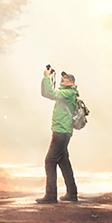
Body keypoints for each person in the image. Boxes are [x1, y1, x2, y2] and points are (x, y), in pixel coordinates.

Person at [36, 67, 79, 203]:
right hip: (63, 131)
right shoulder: (67, 93)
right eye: (62, 78)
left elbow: (48, 93)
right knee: (63, 161)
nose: (62, 79)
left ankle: (50, 195)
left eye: (65, 78)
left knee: (50, 160)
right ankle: (72, 193)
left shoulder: (68, 93)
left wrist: (46, 77)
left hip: (61, 132)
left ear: (71, 81)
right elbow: (50, 93)